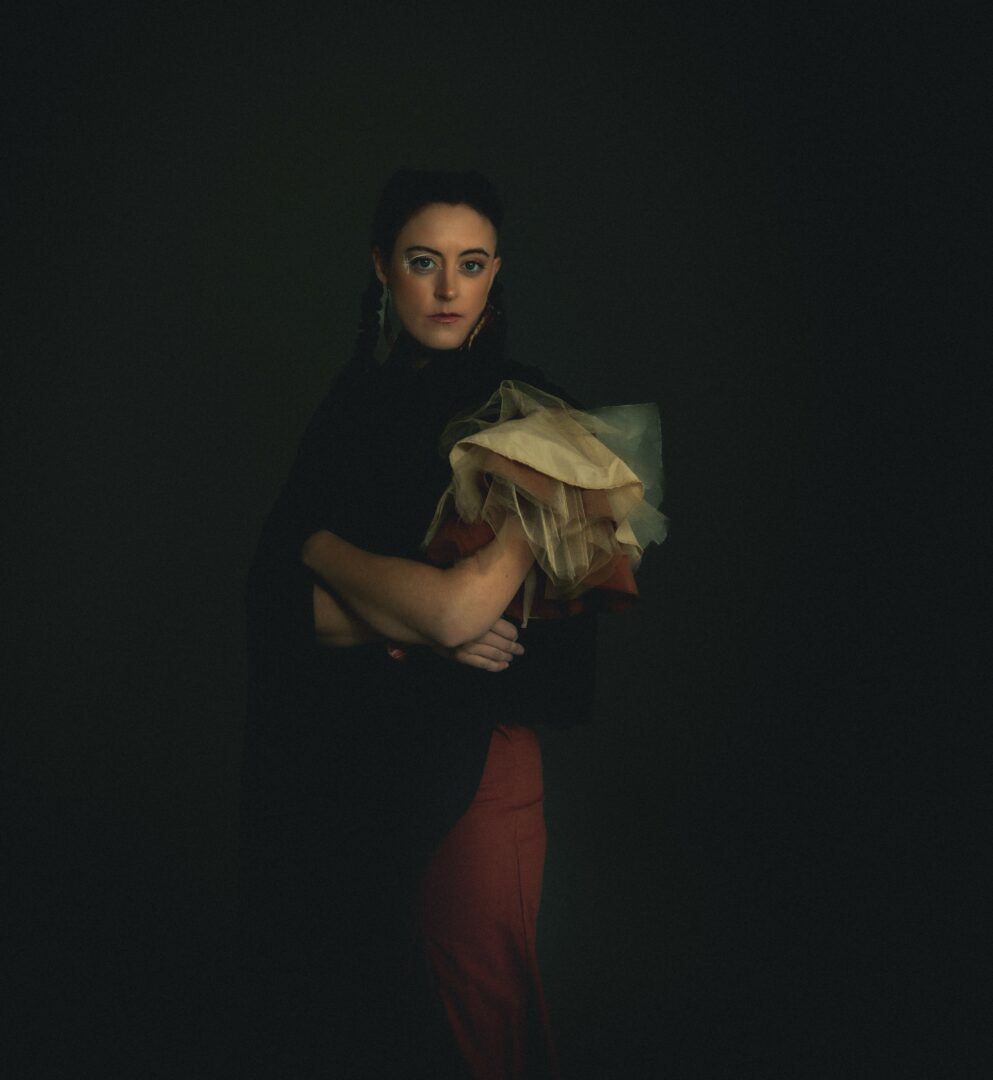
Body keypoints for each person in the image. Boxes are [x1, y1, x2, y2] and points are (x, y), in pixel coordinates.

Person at [240, 169, 665, 1078]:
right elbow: (280, 614)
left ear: (494, 273)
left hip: (476, 759)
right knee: (358, 1010)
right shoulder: (349, 406)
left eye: (470, 264)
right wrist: (411, 622)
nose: (446, 288)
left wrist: (314, 545)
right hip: (350, 761)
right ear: (381, 267)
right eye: (423, 261)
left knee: (473, 1011)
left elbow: (462, 607)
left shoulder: (530, 416)